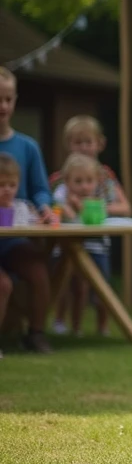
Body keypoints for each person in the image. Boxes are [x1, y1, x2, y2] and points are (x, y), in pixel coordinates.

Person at [50, 116, 132, 335]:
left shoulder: (105, 178)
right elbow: (52, 205)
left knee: (100, 286)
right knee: (68, 285)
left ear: (99, 144)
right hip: (66, 240)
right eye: (78, 143)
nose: (83, 148)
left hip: (97, 241)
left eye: (88, 142)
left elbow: (125, 207)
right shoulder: (61, 179)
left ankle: (102, 326)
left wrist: (94, 207)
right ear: (68, 145)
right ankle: (62, 322)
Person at [0, 67, 55, 353]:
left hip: (15, 237)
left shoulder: (27, 146)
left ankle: (35, 332)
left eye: (8, 99)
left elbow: (40, 189)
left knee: (38, 271)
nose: (3, 106)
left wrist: (45, 209)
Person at [0, 153, 40, 358]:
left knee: (37, 268)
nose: (7, 190)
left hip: (13, 251)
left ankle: (36, 333)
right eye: (1, 185)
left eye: (12, 185)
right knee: (3, 285)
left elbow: (36, 224)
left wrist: (45, 218)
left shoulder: (22, 208)